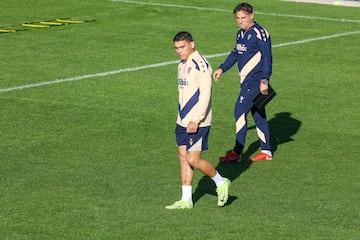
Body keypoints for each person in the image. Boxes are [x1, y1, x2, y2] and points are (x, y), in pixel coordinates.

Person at [166, 31, 230, 209]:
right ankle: (186, 200)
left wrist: (197, 119)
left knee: (193, 159)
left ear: (192, 44)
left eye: (182, 47)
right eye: (177, 48)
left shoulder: (200, 65)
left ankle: (221, 182)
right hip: (182, 120)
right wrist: (183, 118)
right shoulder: (182, 65)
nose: (179, 51)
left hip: (198, 122)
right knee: (182, 157)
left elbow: (205, 94)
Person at [213, 2, 273, 162]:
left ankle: (236, 153)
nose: (240, 21)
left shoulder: (260, 33)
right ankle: (266, 151)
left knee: (239, 112)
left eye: (243, 18)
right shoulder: (240, 33)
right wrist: (222, 68)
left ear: (251, 16)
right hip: (246, 82)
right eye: (237, 18)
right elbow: (235, 53)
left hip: (255, 82)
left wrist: (264, 80)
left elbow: (267, 58)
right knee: (258, 115)